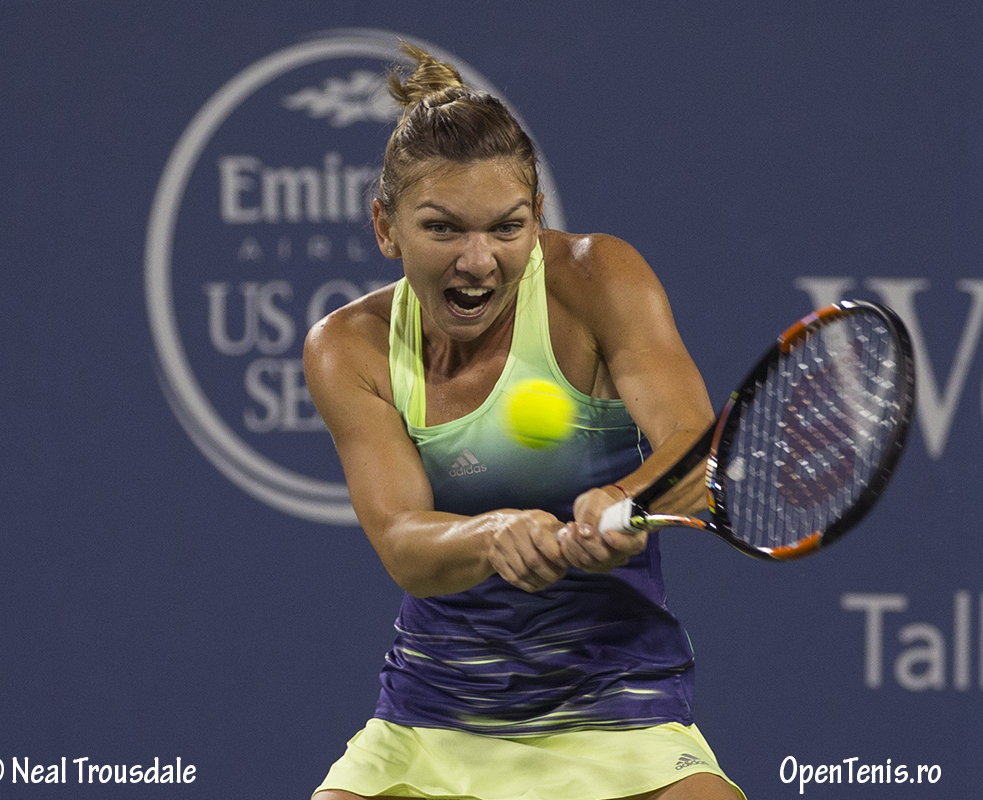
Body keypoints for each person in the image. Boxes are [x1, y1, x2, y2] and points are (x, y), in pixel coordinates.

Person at [304, 43, 745, 800]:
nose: (479, 261)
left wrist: (626, 499)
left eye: (507, 228)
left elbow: (695, 454)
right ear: (386, 227)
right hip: (430, 720)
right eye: (443, 229)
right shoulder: (348, 348)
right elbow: (405, 544)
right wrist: (492, 534)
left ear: (537, 217)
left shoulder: (598, 277)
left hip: (622, 713)